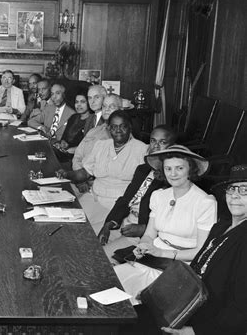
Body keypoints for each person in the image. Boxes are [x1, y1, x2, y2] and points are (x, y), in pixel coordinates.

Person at [114, 145, 217, 305]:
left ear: (191, 169)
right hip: (152, 257)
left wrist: (162, 252)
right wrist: (143, 246)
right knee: (111, 281)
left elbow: (200, 251)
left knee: (139, 302)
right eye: (168, 168)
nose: (173, 174)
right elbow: (149, 234)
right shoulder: (159, 196)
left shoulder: (205, 202)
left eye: (179, 168)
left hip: (181, 266)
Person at [160, 164, 247, 335]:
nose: (235, 195)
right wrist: (160, 292)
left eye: (244, 190)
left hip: (211, 323)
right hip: (189, 306)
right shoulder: (220, 226)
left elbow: (241, 306)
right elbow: (195, 270)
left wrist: (195, 331)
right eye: (231, 189)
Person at [57, 110, 147, 232]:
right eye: (114, 127)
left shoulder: (142, 150)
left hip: (117, 207)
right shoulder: (101, 145)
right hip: (94, 197)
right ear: (109, 129)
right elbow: (84, 173)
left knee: (87, 234)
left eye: (123, 126)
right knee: (66, 224)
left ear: (129, 127)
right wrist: (67, 174)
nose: (118, 130)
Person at [98, 125, 177, 260]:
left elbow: (172, 222)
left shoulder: (172, 180)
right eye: (153, 141)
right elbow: (125, 199)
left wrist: (143, 229)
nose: (156, 146)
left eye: (162, 142)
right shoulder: (142, 170)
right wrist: (109, 223)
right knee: (89, 244)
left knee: (100, 258)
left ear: (172, 147)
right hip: (124, 223)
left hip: (142, 235)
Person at [72, 93, 121, 171]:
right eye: (104, 106)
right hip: (80, 174)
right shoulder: (94, 131)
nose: (106, 109)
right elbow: (77, 155)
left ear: (120, 109)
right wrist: (78, 170)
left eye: (111, 106)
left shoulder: (121, 136)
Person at [52, 90, 92, 161]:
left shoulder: (92, 121)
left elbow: (88, 147)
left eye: (82, 102)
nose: (78, 105)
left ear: (89, 103)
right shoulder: (74, 117)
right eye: (76, 102)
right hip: (64, 152)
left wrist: (70, 150)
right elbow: (64, 138)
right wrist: (63, 143)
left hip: (79, 158)